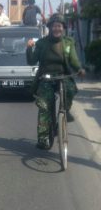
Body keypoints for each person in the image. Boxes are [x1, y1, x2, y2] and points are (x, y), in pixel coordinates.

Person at [26, 13, 85, 150]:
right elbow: (31, 61)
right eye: (54, 26)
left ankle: (65, 112)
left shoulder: (68, 43)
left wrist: (79, 69)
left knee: (70, 89)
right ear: (50, 28)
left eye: (59, 26)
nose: (56, 29)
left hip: (63, 77)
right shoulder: (42, 43)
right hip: (46, 78)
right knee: (44, 108)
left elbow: (74, 60)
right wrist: (29, 48)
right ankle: (43, 138)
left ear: (63, 28)